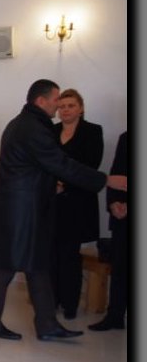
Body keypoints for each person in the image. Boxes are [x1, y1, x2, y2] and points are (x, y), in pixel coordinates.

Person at [0, 79, 126, 342]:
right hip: (20, 210)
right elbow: (60, 163)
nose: (59, 105)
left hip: (22, 208)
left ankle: (46, 324)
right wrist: (105, 180)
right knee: (5, 266)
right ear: (41, 101)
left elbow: (44, 166)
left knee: (37, 265)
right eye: (56, 99)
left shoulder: (25, 123)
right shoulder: (31, 127)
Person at [49, 89, 104, 320]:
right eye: (62, 106)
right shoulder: (50, 131)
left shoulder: (92, 131)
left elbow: (90, 165)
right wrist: (53, 184)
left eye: (71, 105)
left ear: (80, 108)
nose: (65, 110)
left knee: (70, 255)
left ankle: (70, 303)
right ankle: (52, 300)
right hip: (52, 201)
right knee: (51, 253)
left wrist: (64, 184)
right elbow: (43, 162)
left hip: (78, 202)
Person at [89, 131, 128, 331]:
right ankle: (115, 316)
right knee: (120, 267)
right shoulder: (126, 137)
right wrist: (113, 203)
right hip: (123, 216)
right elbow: (116, 174)